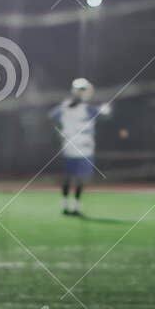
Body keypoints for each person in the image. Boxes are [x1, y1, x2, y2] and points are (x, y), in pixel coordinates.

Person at [50, 78, 109, 215]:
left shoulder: (67, 107)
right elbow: (105, 115)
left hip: (76, 148)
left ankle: (71, 205)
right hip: (80, 149)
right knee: (75, 178)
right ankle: (69, 205)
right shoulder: (84, 108)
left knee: (74, 178)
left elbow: (52, 117)